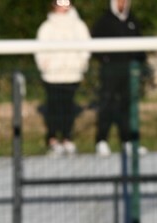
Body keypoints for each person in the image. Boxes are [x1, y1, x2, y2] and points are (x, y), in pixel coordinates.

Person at [34, 0, 91, 156]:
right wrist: (45, 65)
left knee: (68, 106)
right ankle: (52, 139)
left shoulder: (79, 26)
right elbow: (39, 50)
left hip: (72, 74)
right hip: (52, 75)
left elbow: (86, 47)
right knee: (53, 107)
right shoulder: (47, 27)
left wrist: (80, 64)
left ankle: (67, 137)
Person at [92, 0, 147, 156]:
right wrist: (106, 59)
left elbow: (140, 46)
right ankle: (101, 140)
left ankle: (128, 141)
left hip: (129, 72)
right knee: (107, 104)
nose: (122, 4)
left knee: (127, 107)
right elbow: (95, 44)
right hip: (110, 71)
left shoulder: (132, 21)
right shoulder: (104, 21)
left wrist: (140, 62)